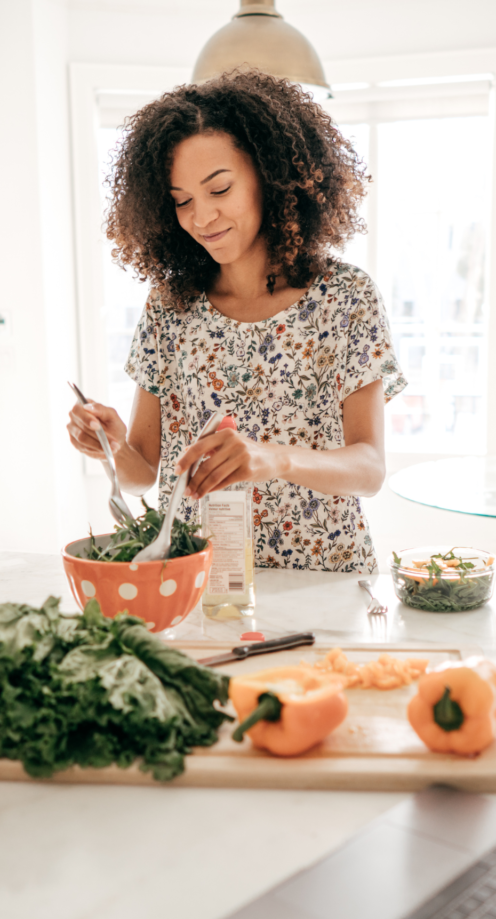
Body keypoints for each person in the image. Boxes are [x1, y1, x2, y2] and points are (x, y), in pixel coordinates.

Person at [67, 71, 406, 573]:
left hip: (322, 581)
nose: (200, 218)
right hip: (199, 580)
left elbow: (370, 470)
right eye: (182, 200)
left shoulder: (345, 298)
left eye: (219, 189)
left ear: (270, 175)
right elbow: (142, 473)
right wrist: (112, 445)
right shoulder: (169, 307)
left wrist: (274, 458)